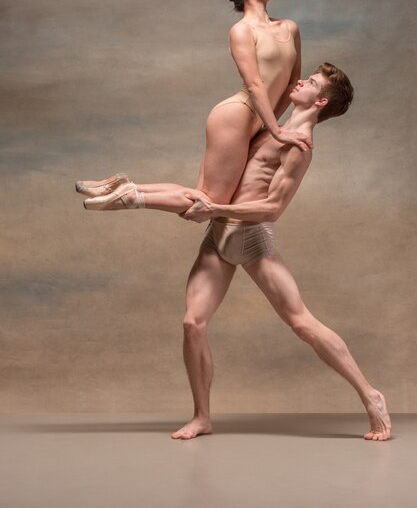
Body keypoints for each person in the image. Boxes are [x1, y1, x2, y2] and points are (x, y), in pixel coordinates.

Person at [77, 63, 392, 441]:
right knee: (193, 323)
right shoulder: (275, 126)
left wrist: (216, 210)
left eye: (312, 82)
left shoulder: (300, 145)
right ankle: (202, 417)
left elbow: (273, 208)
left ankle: (371, 397)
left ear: (321, 101)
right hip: (218, 235)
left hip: (250, 237)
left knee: (301, 322)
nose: (302, 79)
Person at [76, 0, 311, 206]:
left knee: (204, 195)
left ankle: (123, 187)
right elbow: (254, 84)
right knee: (209, 201)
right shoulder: (241, 31)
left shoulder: (290, 27)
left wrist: (268, 124)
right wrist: (276, 130)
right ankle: (130, 197)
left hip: (258, 120)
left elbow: (292, 82)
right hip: (236, 116)